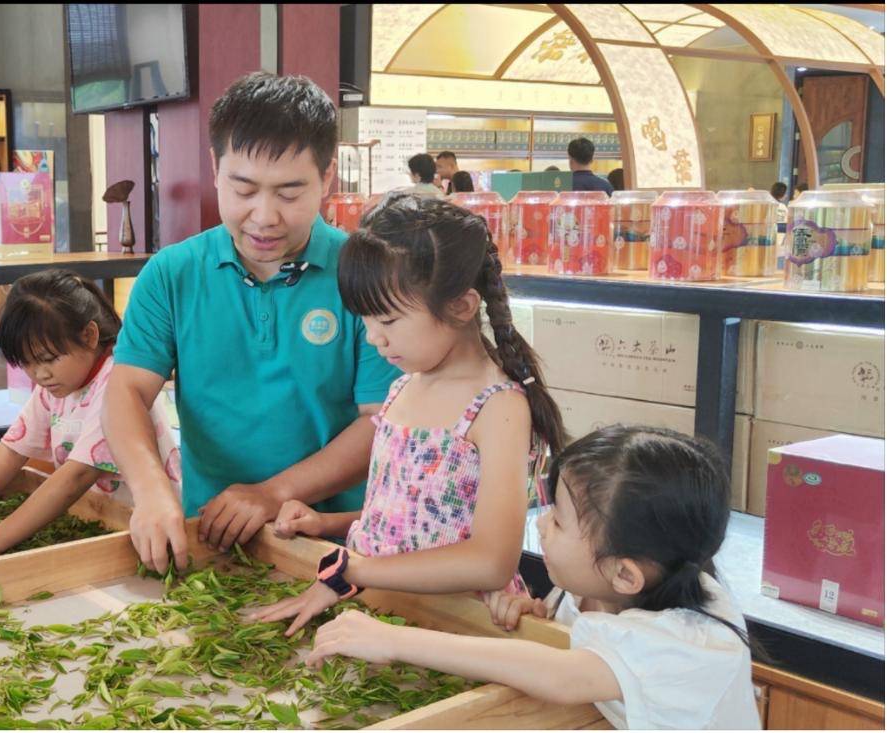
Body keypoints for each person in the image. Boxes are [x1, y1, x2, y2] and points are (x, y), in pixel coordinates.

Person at [103, 73, 402, 573]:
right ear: (216, 169)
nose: (263, 217)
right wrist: (152, 489)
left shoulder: (366, 274)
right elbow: (127, 390)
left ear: (327, 177)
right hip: (211, 536)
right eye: (244, 189)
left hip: (341, 544)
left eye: (289, 192)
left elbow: (382, 420)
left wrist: (273, 493)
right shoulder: (172, 274)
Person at [250, 194, 565, 635]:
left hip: (455, 626)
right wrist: (328, 524)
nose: (374, 338)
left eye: (389, 320)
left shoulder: (498, 408)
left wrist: (350, 571)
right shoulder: (404, 385)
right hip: (383, 613)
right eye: (365, 320)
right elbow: (408, 520)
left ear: (461, 306)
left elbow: (490, 562)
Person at [306, 425, 761, 730]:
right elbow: (581, 647)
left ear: (625, 574)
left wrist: (393, 640)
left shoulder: (690, 643)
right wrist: (539, 616)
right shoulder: (600, 584)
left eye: (559, 521)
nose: (542, 524)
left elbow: (563, 675)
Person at [0, 270, 180, 564]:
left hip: (147, 526)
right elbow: (10, 450)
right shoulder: (56, 385)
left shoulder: (115, 382)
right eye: (28, 364)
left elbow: (75, 477)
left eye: (48, 360)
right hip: (95, 516)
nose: (40, 374)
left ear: (89, 335)